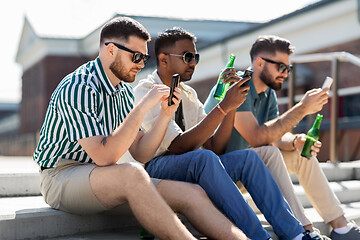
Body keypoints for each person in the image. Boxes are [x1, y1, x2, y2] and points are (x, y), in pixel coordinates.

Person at [33, 17, 251, 240]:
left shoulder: (123, 92)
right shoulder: (79, 87)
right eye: (136, 56)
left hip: (101, 176)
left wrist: (165, 115)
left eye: (144, 57)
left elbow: (142, 152)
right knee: (133, 172)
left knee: (192, 193)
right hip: (61, 175)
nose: (141, 63)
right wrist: (144, 105)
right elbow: (105, 156)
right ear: (110, 50)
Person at [134, 27, 325, 240]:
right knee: (203, 158)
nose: (194, 63)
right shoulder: (146, 90)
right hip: (156, 168)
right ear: (163, 59)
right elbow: (179, 146)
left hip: (193, 165)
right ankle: (259, 237)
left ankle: (296, 234)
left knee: (249, 158)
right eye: (188, 57)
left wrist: (234, 105)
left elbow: (216, 147)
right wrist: (223, 105)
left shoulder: (189, 94)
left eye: (195, 57)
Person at [204, 35, 360, 240]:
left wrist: (295, 141)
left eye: (289, 69)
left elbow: (275, 134)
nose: (285, 74)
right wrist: (302, 108)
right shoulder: (238, 85)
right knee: (269, 152)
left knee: (300, 153)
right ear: (259, 63)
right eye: (281, 67)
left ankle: (340, 227)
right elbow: (257, 138)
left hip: (249, 170)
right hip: (219, 174)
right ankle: (304, 230)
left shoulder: (267, 93)